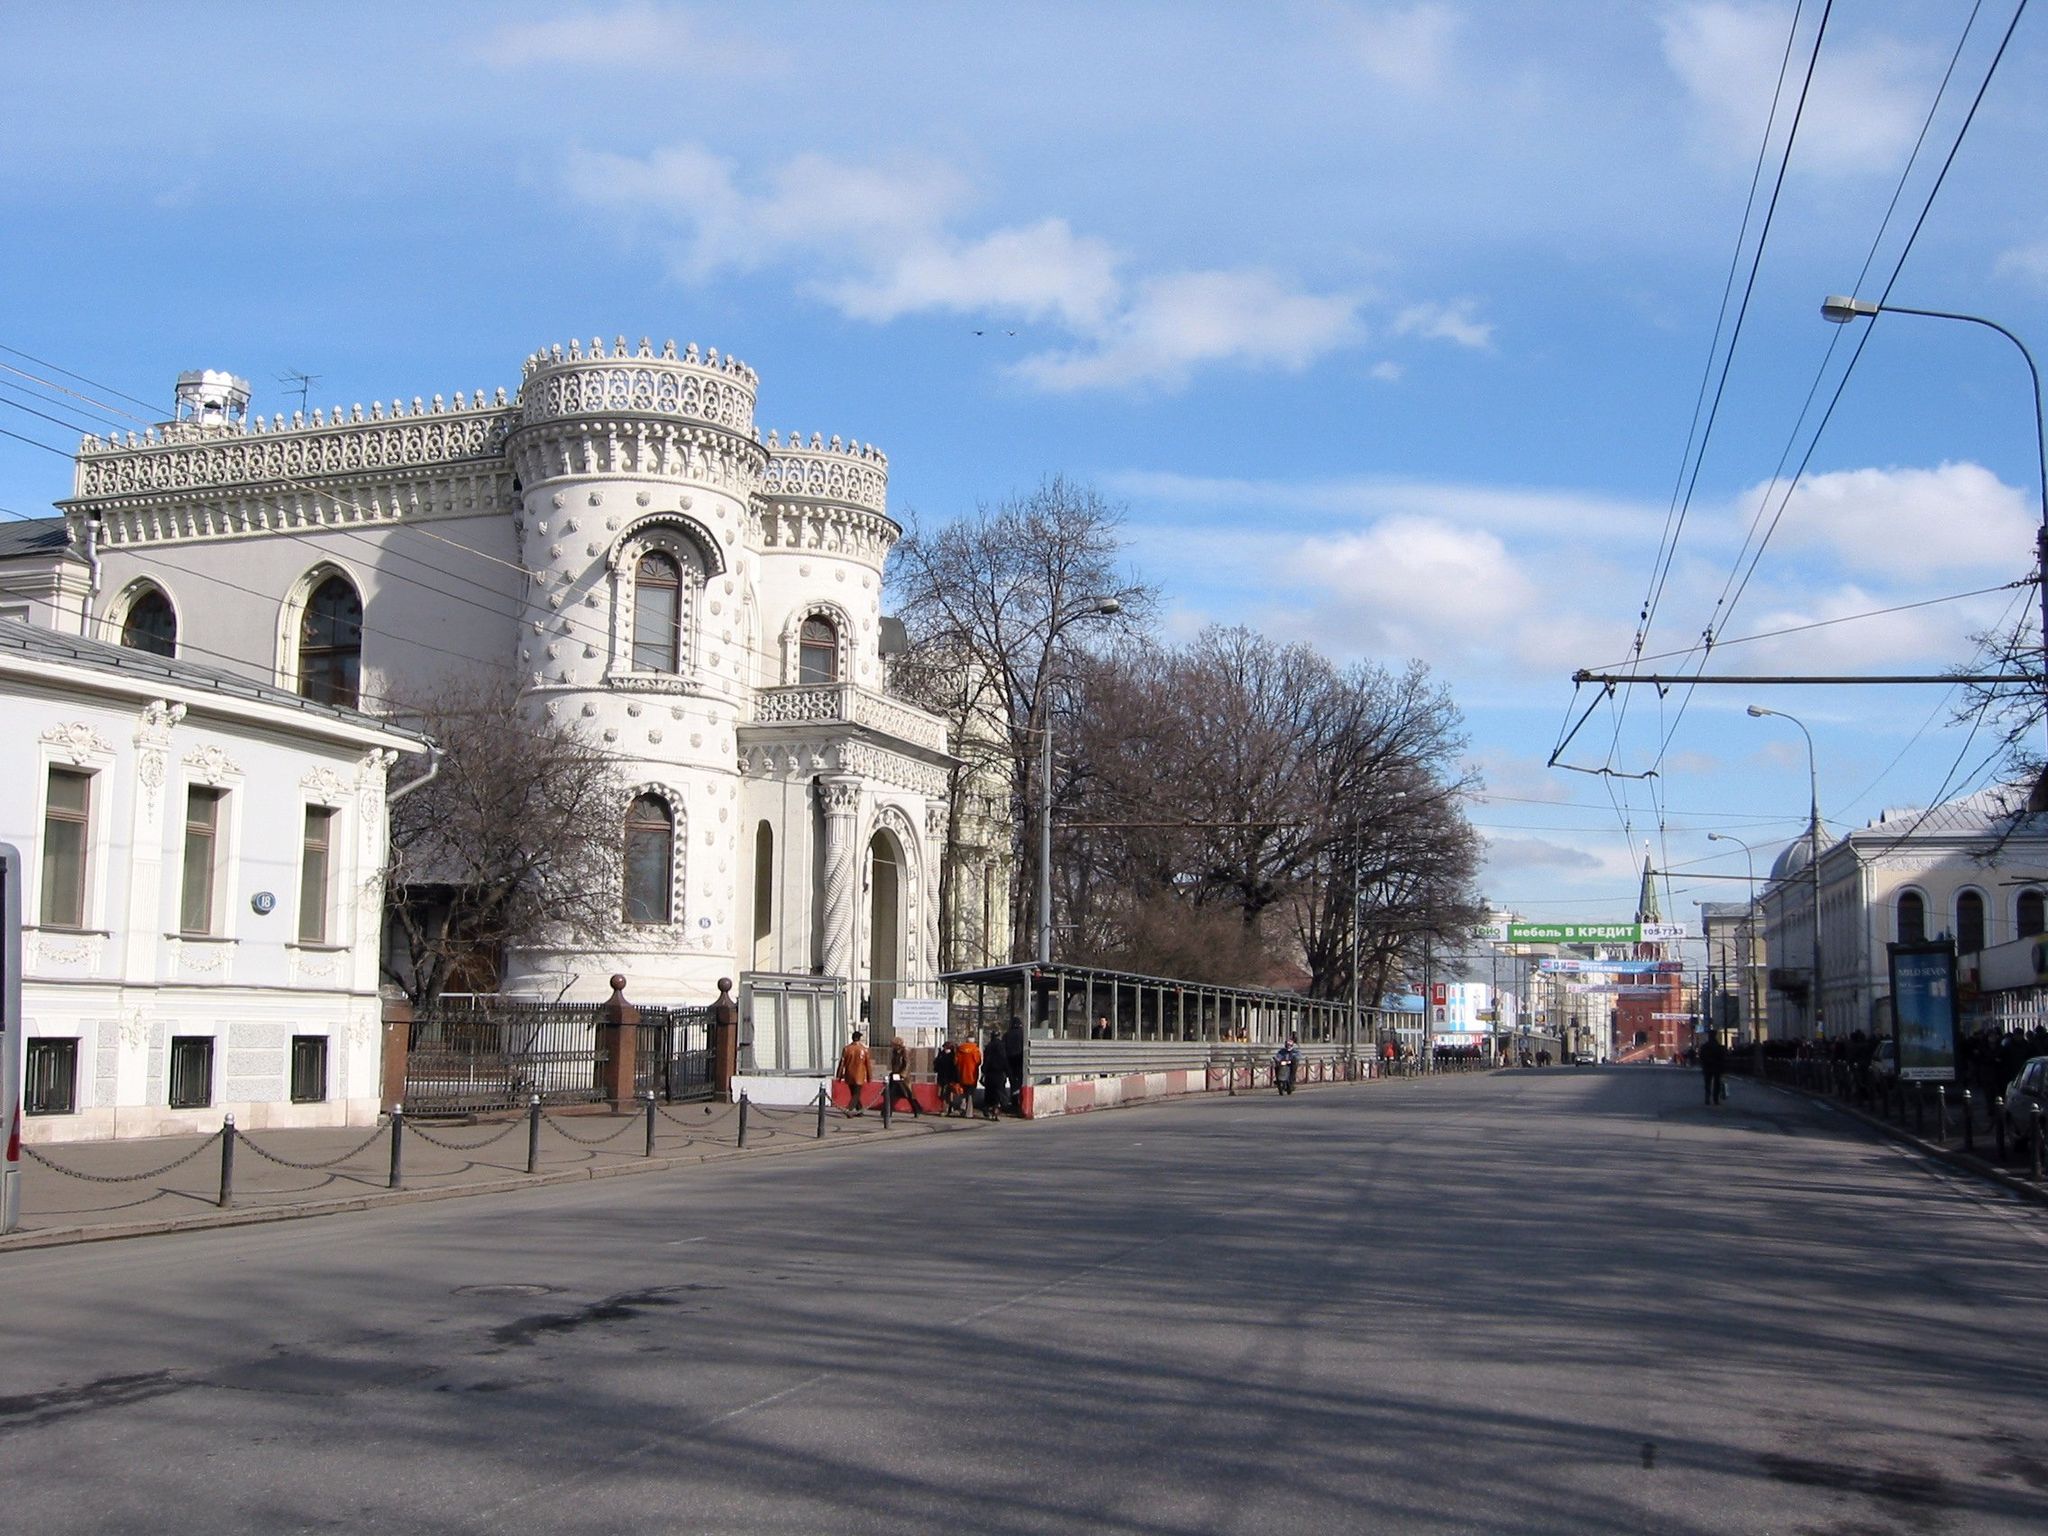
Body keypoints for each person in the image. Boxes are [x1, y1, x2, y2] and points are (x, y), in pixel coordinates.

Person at [836, 1030, 873, 1117]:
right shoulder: (864, 1050)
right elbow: (868, 1065)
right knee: (856, 1094)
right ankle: (849, 1109)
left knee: (854, 1093)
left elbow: (842, 1063)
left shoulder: (846, 1049)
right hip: (859, 1075)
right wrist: (869, 1077)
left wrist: (839, 1075)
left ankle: (860, 1110)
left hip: (849, 1074)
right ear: (859, 1039)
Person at [886, 1034, 923, 1118]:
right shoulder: (894, 1052)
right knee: (891, 1094)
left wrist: (902, 1074)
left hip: (903, 1077)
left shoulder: (905, 1051)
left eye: (893, 1044)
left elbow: (907, 1064)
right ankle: (887, 1112)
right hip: (895, 1075)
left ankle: (917, 1109)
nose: (892, 1046)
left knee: (909, 1095)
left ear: (898, 1045)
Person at [980, 1027, 1007, 1120]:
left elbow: (986, 1060)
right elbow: (1004, 1060)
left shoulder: (989, 1046)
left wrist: (984, 1070)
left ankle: (987, 1108)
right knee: (998, 1093)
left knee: (989, 1093)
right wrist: (1008, 1072)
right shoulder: (1002, 1046)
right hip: (999, 1073)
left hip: (990, 1073)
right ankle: (996, 1111)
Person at [953, 1033, 982, 1118]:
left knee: (963, 1090)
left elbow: (955, 1061)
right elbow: (978, 1062)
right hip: (972, 1074)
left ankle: (962, 1107)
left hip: (962, 1073)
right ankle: (969, 1112)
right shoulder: (975, 1050)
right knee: (970, 1093)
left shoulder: (960, 1049)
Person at [1003, 1016, 1027, 1116]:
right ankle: (1020, 1102)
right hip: (1020, 1062)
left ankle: (1013, 1101)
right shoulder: (1023, 1035)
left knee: (1013, 1082)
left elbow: (1003, 1050)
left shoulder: (1006, 1035)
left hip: (1009, 1062)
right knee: (1020, 1082)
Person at [935, 1039, 961, 1116]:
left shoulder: (951, 1056)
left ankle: (946, 1109)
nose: (946, 1049)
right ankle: (949, 1108)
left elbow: (954, 1068)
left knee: (946, 1094)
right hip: (944, 1077)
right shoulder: (942, 1055)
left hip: (948, 1078)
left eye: (947, 1048)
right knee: (944, 1094)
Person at [1700, 1032, 1728, 1106]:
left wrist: (1704, 1064)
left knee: (1707, 1083)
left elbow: (1701, 1057)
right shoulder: (1719, 1047)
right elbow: (1723, 1058)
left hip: (1707, 1067)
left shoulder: (1705, 1047)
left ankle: (1707, 1098)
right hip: (1717, 1067)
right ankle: (1715, 1099)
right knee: (1717, 1083)